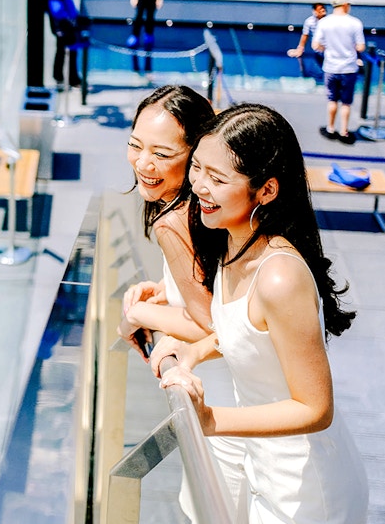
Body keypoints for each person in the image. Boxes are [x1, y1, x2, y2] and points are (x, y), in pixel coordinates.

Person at [151, 103, 368, 524]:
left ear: (266, 190)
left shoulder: (279, 276)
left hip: (306, 492)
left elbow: (315, 408)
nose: (199, 186)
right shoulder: (234, 242)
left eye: (218, 179)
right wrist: (192, 351)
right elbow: (246, 330)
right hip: (265, 471)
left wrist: (210, 420)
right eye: (197, 169)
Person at [115, 85, 249, 522]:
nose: (143, 164)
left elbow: (217, 325)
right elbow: (215, 284)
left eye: (161, 153)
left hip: (226, 398)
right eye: (135, 145)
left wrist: (137, 313)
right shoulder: (207, 207)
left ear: (195, 154)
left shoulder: (175, 221)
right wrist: (163, 286)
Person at [312, 0, 364, 144]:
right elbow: (360, 47)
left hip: (330, 67)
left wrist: (327, 47)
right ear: (346, 5)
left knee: (332, 100)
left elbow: (316, 45)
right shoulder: (355, 23)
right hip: (349, 68)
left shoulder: (324, 22)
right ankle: (344, 131)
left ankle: (330, 128)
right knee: (346, 103)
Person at [286, 2, 327, 77]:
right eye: (320, 9)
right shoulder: (310, 21)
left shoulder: (330, 20)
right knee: (319, 68)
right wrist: (300, 48)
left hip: (329, 48)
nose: (323, 10)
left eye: (324, 8)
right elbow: (305, 35)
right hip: (318, 49)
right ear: (315, 11)